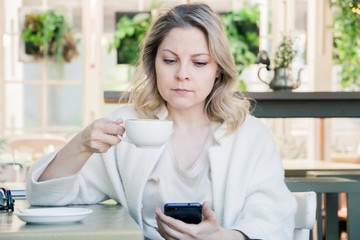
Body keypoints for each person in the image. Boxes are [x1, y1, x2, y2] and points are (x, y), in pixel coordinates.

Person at [26, 3, 297, 240]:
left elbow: (274, 221)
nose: (182, 74)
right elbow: (44, 198)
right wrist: (80, 145)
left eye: (199, 63)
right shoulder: (127, 127)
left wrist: (224, 237)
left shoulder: (249, 135)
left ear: (218, 70)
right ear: (153, 64)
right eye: (170, 60)